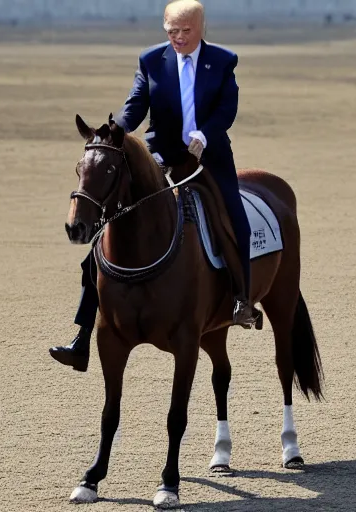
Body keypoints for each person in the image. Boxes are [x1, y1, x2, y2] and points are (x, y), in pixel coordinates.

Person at [50, 0, 259, 372]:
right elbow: (135, 105)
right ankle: (83, 334)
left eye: (186, 31)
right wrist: (118, 131)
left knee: (234, 216)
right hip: (159, 153)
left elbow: (227, 109)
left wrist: (205, 135)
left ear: (201, 28)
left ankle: (242, 301)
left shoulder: (224, 60)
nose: (178, 38)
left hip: (207, 155)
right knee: (107, 232)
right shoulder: (151, 60)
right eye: (172, 32)